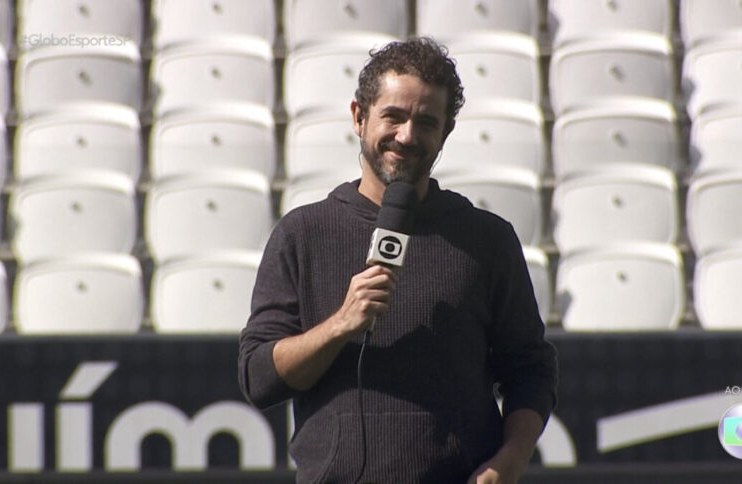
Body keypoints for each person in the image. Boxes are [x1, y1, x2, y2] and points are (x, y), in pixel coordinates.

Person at [238, 37, 558, 484]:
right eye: (393, 116)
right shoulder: (302, 234)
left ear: (444, 133)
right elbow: (259, 378)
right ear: (358, 117)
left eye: (426, 122)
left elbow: (531, 370)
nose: (407, 136)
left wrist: (509, 462)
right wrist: (341, 323)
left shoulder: (487, 239)